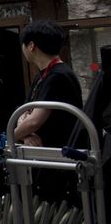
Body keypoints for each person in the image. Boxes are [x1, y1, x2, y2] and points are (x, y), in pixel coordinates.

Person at [14, 20, 81, 149]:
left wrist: (12, 136)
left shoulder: (58, 75)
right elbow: (24, 114)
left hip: (61, 153)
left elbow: (33, 121)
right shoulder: (41, 76)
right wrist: (26, 135)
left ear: (31, 45)